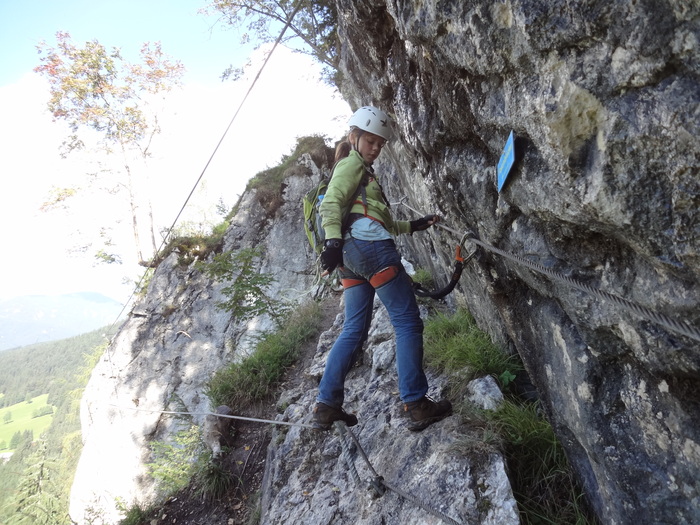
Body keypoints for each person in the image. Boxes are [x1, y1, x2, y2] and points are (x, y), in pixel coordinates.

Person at [313, 106, 452, 432]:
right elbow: (331, 202)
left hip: (353, 260)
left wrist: (415, 225)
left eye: (380, 143)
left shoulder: (365, 175)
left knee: (353, 330)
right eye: (371, 141)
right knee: (406, 323)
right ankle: (417, 404)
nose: (376, 148)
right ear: (353, 137)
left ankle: (326, 405)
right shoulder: (350, 165)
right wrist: (331, 242)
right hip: (370, 251)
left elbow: (383, 221)